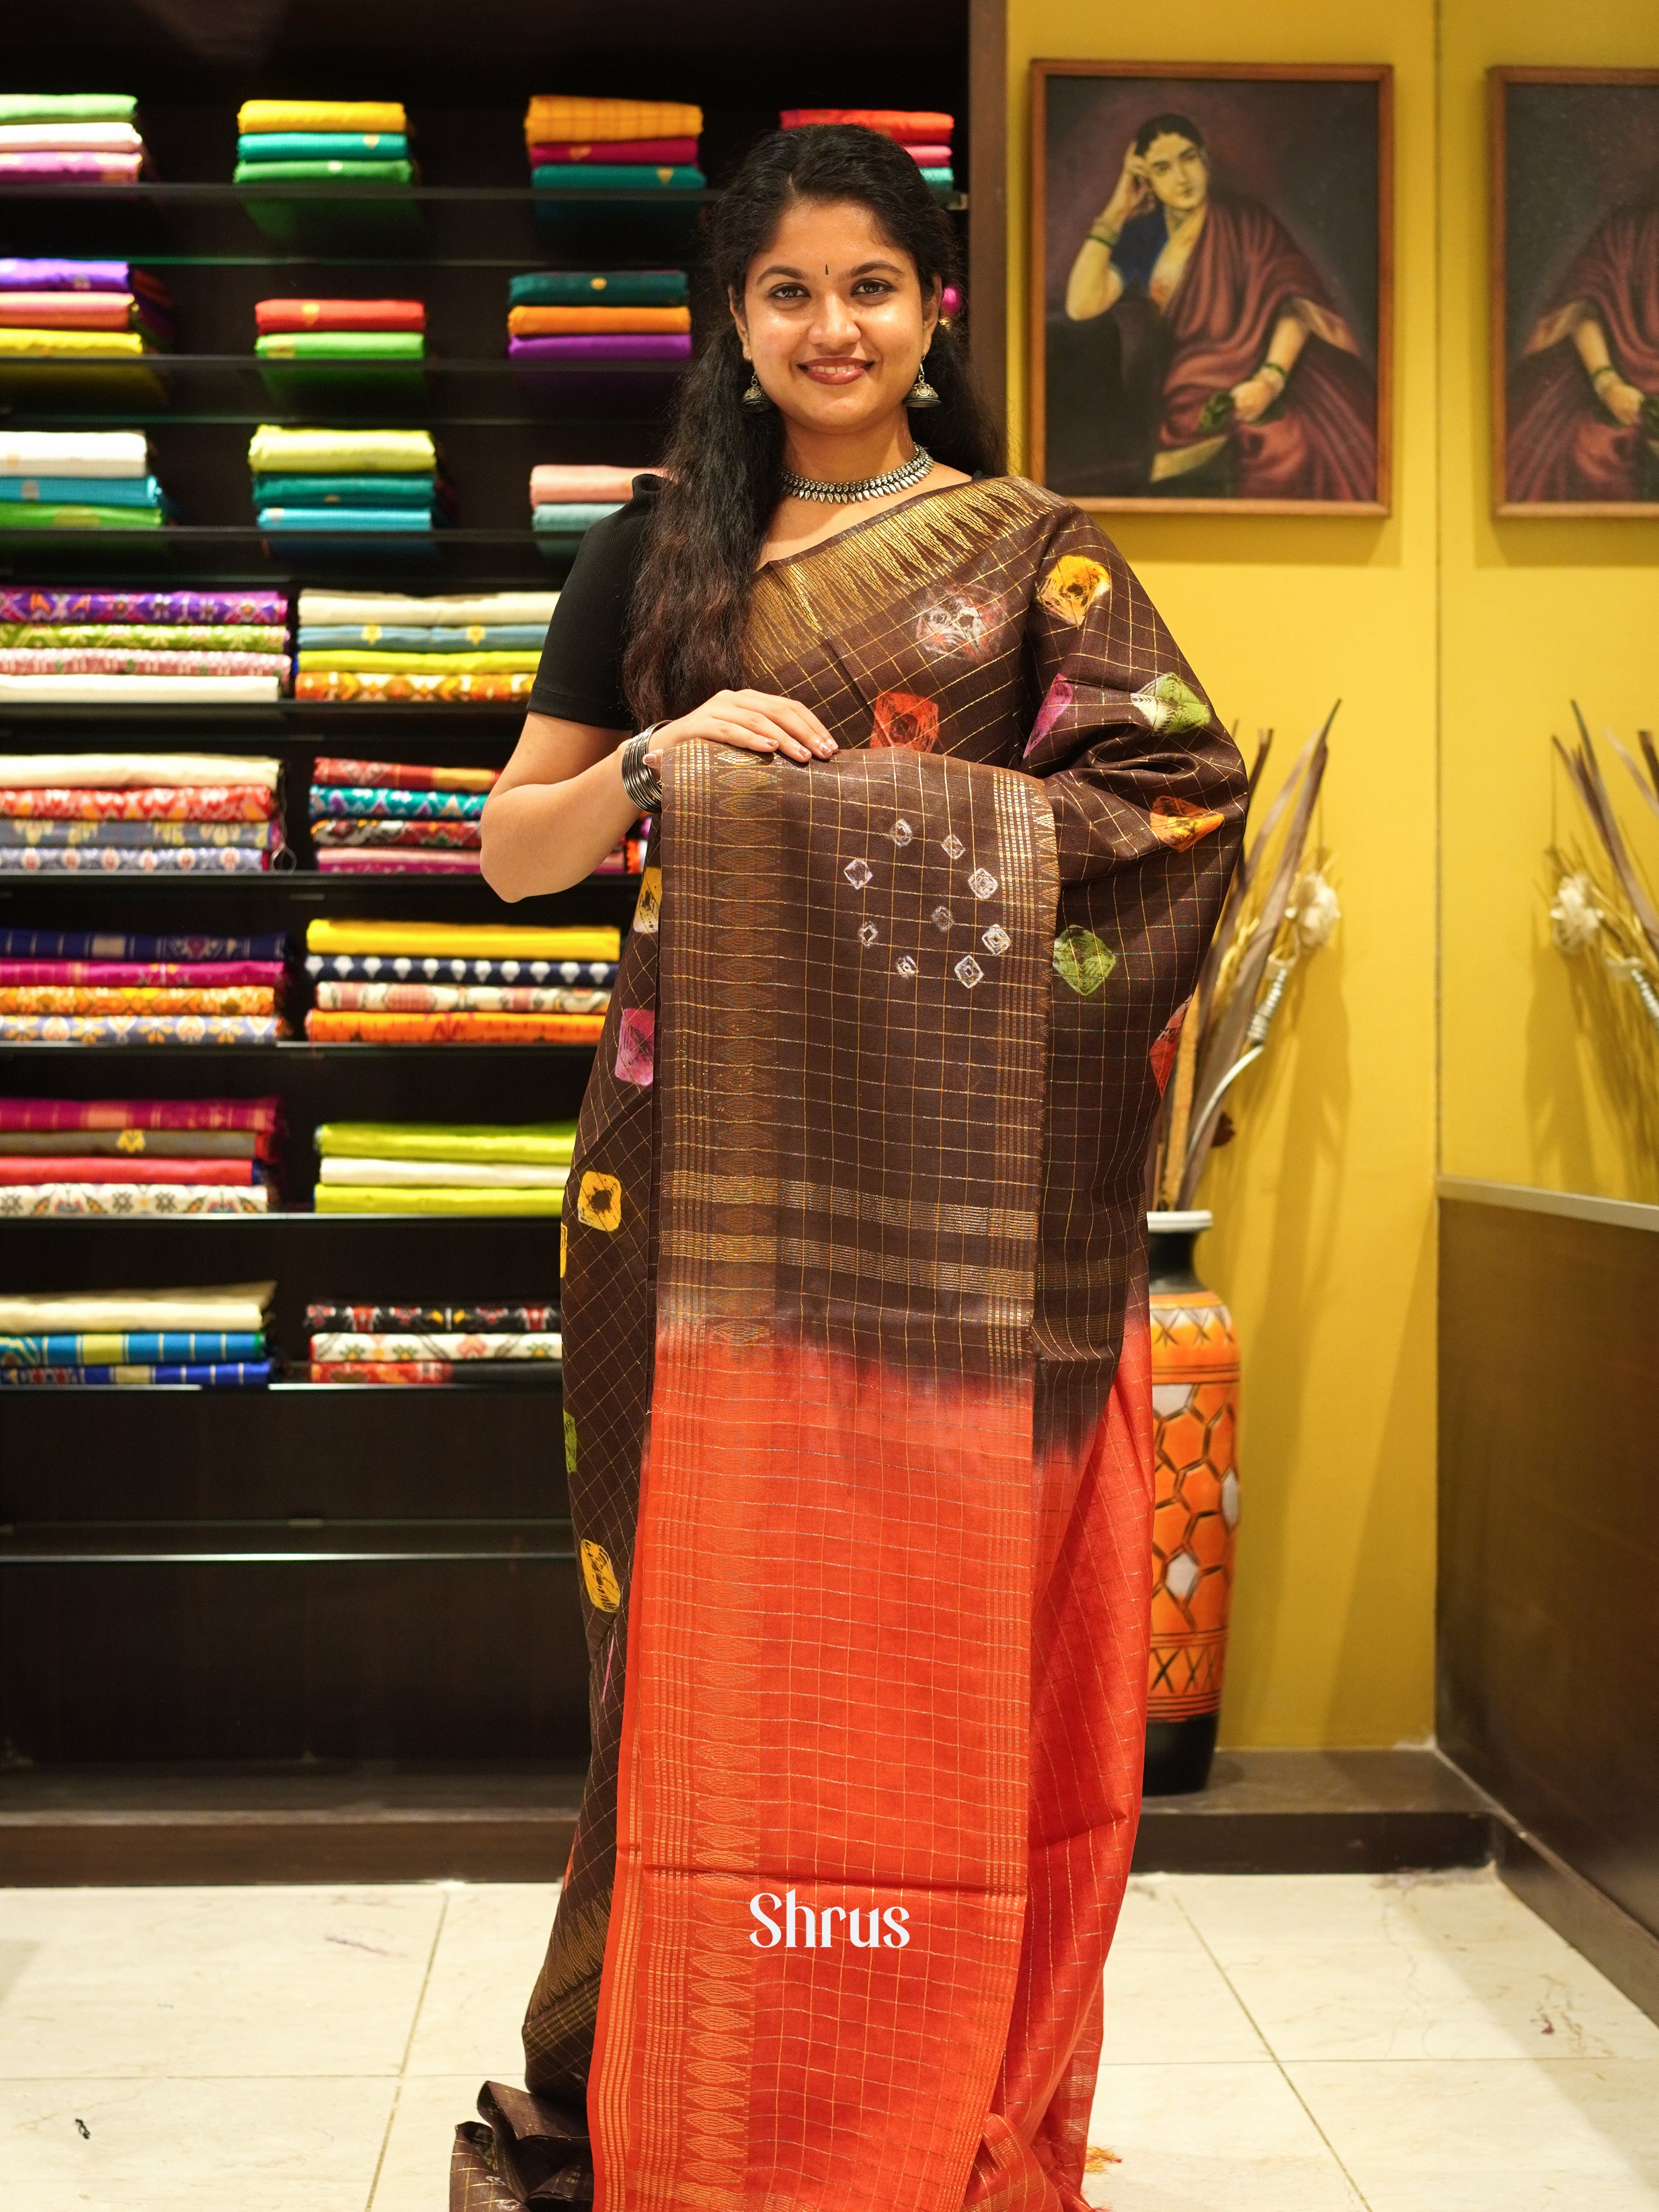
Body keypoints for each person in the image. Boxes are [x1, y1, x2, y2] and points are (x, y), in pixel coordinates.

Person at [453, 122, 1245, 2212]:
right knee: (682, 1654)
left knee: (918, 1644)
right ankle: (666, 2092)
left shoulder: (1030, 557)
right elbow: (506, 849)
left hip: (947, 1221)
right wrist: (660, 760)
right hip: (676, 1191)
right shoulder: (648, 561)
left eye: (869, 286)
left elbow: (1174, 803)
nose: (831, 326)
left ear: (933, 309)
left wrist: (894, 814)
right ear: (733, 322)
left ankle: (911, 2086)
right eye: (787, 290)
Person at [1063, 110, 1376, 501]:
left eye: (1189, 158)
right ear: (1146, 179)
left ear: (1206, 161)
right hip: (1183, 398)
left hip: (1262, 381)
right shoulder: (1144, 238)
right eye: (1163, 168)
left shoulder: (1248, 224)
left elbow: (1295, 306)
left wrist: (1269, 380)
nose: (1182, 177)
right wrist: (1116, 210)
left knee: (1289, 446)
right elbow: (1081, 306)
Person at [1505, 196, 1659, 505]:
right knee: (1589, 454)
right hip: (1619, 392)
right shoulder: (1629, 230)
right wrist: (1607, 383)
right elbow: (1583, 306)